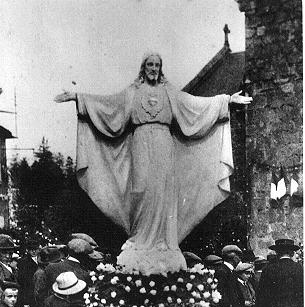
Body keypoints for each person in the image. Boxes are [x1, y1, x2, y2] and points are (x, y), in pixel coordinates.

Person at [55, 52, 252, 275]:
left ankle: (165, 242)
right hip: (139, 146)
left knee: (163, 193)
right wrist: (77, 97)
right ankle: (140, 240)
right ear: (143, 67)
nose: (154, 68)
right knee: (141, 192)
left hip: (164, 147)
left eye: (157, 65)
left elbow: (194, 106)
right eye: (150, 64)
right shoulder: (133, 92)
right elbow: (110, 106)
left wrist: (226, 100)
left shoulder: (169, 92)